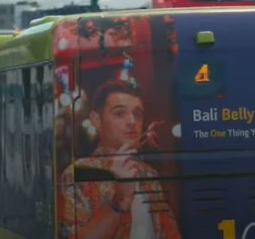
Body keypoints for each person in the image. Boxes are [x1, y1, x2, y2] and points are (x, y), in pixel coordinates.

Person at [61, 80, 181, 239]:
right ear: (96, 120)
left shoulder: (148, 173)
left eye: (137, 114)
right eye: (119, 113)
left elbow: (169, 232)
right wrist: (118, 202)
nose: (132, 121)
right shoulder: (79, 174)